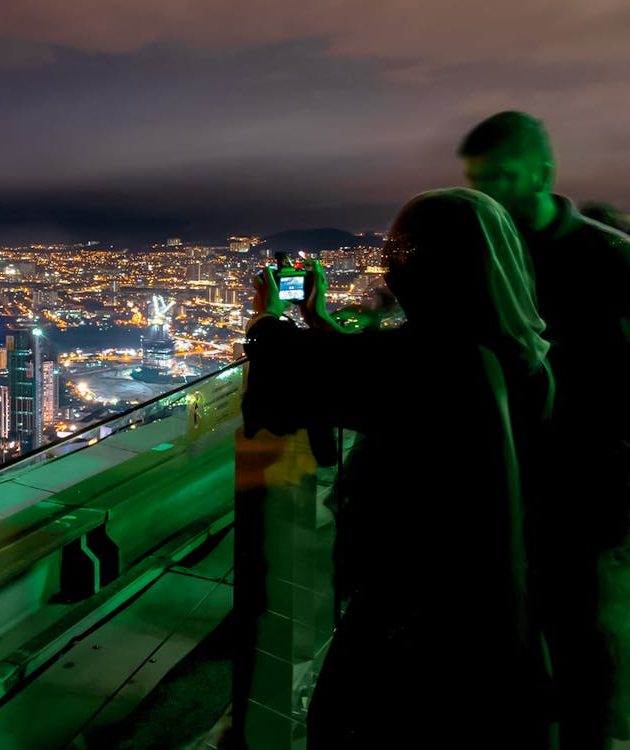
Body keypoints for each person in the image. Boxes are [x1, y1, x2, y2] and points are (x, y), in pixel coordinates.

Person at [242, 188, 554, 749]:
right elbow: (376, 377)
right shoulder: (516, 354)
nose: (394, 263)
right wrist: (319, 320)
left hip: (421, 612)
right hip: (498, 598)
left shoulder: (439, 360)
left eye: (404, 251)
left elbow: (334, 377)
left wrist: (267, 320)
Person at [460, 111, 630, 749]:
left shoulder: (609, 259)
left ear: (543, 173)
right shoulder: (491, 255)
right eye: (482, 181)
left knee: (583, 634)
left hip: (587, 485)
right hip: (509, 480)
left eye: (504, 176)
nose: (494, 193)